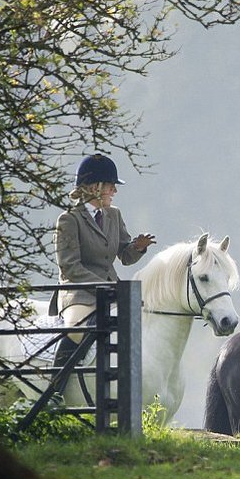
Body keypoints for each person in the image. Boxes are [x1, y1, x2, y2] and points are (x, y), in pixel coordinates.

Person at [50, 153, 156, 365]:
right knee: (77, 330)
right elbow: (71, 268)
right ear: (94, 188)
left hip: (111, 292)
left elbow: (124, 255)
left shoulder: (113, 215)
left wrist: (137, 247)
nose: (114, 191)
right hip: (79, 293)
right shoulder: (69, 219)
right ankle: (55, 387)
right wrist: (104, 287)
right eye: (110, 186)